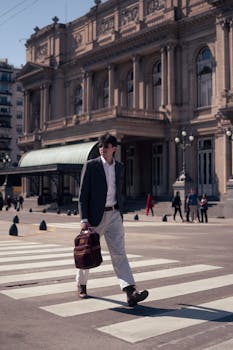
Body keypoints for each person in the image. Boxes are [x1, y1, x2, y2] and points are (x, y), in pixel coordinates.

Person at [76, 133, 149, 307]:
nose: (102, 149)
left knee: (119, 254)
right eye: (100, 146)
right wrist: (84, 219)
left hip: (115, 214)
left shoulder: (119, 167)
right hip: (95, 217)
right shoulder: (91, 166)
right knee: (87, 251)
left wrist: (121, 212)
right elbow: (83, 195)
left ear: (114, 148)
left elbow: (118, 190)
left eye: (106, 146)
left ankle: (130, 291)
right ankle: (82, 284)